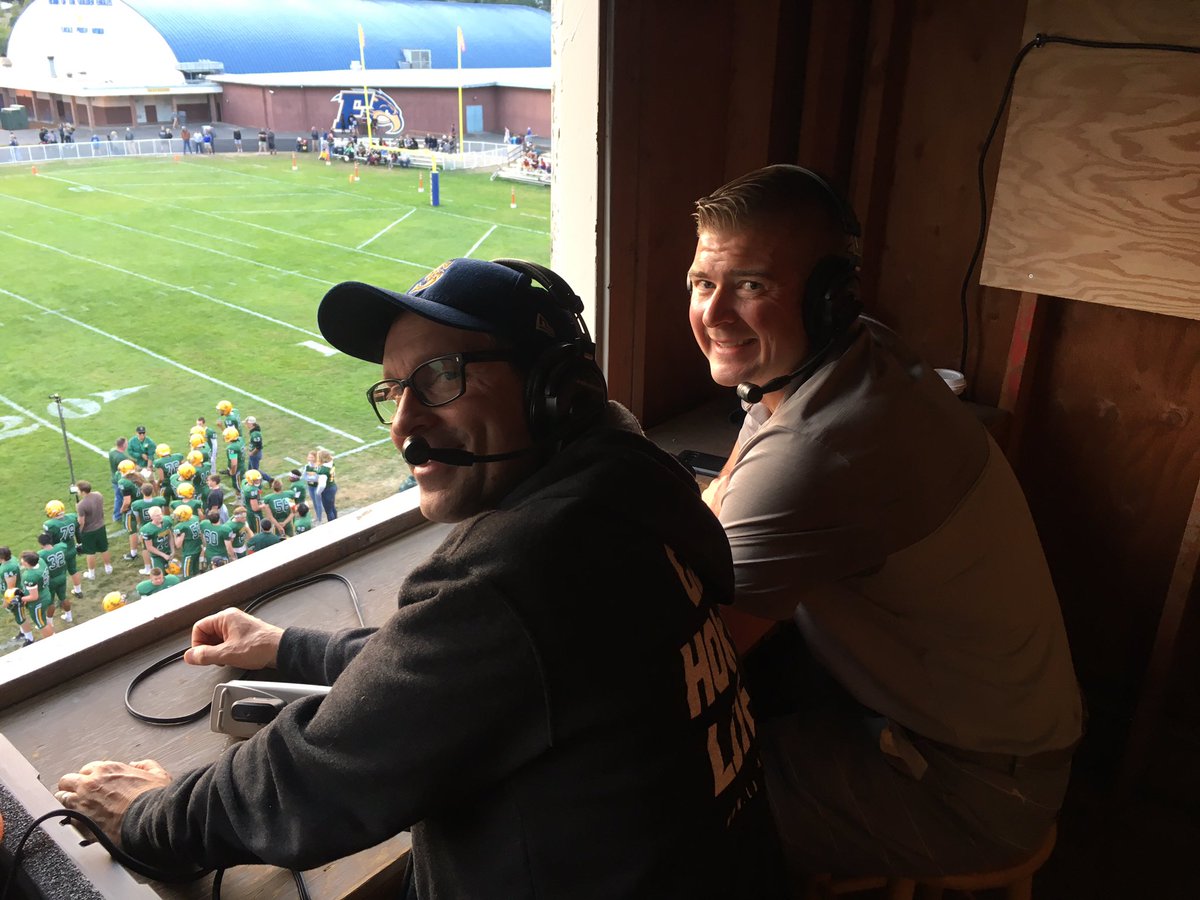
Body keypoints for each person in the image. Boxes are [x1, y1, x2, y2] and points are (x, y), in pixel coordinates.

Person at [56, 257, 782, 899]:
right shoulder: (630, 486)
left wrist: (147, 814)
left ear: (555, 391)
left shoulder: (522, 568)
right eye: (393, 390)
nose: (404, 422)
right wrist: (288, 648)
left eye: (439, 378)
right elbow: (455, 673)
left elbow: (312, 783)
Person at [685, 164, 1084, 879]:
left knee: (664, 805)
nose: (714, 314)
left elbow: (692, 653)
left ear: (830, 298)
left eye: (751, 285)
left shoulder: (824, 447)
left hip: (973, 789)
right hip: (982, 736)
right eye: (703, 283)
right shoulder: (846, 357)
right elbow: (730, 495)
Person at [43, 500, 82, 598]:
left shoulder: (50, 524)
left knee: (60, 575)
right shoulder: (73, 517)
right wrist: (79, 543)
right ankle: (78, 590)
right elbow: (78, 532)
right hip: (71, 548)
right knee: (73, 570)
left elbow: (49, 541)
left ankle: (62, 597)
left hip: (59, 552)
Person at [76, 481, 113, 578]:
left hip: (88, 531)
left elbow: (81, 521)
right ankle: (108, 567)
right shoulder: (98, 495)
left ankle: (91, 573)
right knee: (104, 548)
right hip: (101, 526)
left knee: (90, 552)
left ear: (83, 492)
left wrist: (79, 531)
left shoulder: (81, 505)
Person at [109, 437, 133, 522]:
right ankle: (117, 515)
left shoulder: (112, 451)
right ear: (123, 445)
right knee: (120, 497)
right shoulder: (121, 457)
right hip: (120, 479)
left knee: (118, 497)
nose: (127, 445)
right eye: (126, 443)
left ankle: (117, 515)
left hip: (114, 477)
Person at [314, 449, 337, 521]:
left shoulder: (323, 470)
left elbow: (322, 485)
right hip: (333, 485)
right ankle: (336, 520)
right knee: (332, 506)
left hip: (327, 489)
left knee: (329, 511)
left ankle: (333, 525)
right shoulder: (331, 463)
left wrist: (318, 492)